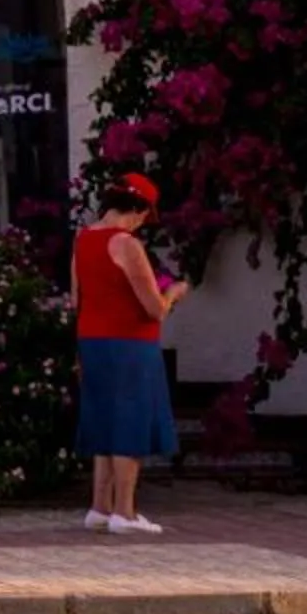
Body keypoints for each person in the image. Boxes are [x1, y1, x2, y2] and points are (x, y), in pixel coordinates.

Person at [70, 172, 185, 535]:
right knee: (129, 424)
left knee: (104, 421)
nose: (141, 225)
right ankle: (125, 512)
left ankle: (99, 507)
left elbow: (78, 299)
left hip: (92, 340)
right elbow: (155, 308)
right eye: (143, 216)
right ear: (135, 209)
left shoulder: (83, 240)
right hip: (130, 344)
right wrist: (175, 292)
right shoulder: (126, 245)